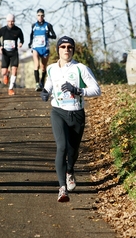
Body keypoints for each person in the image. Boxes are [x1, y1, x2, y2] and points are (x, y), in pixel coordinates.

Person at [40, 36, 101, 202]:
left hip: (77, 114)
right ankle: (62, 188)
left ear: (73, 50)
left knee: (73, 150)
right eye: (63, 47)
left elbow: (97, 90)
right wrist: (45, 92)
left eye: (69, 47)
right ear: (58, 50)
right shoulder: (52, 68)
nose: (66, 50)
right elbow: (50, 83)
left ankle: (70, 171)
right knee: (62, 147)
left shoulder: (81, 68)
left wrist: (78, 90)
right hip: (58, 112)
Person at [28, 9, 56, 91]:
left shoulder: (48, 25)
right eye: (38, 15)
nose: (40, 17)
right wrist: (30, 43)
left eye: (42, 15)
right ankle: (37, 84)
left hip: (45, 48)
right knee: (36, 65)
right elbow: (31, 35)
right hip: (36, 48)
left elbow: (54, 36)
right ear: (36, 16)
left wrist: (49, 35)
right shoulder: (34, 25)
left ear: (44, 16)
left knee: (43, 68)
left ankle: (42, 82)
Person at [0, 13, 24, 95]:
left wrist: (21, 43)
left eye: (12, 21)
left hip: (14, 53)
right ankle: (6, 75)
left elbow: (22, 38)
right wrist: (0, 46)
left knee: (14, 70)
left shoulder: (18, 30)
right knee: (3, 72)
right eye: (9, 21)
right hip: (5, 53)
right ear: (6, 21)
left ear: (14, 21)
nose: (10, 23)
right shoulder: (3, 30)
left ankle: (11, 88)